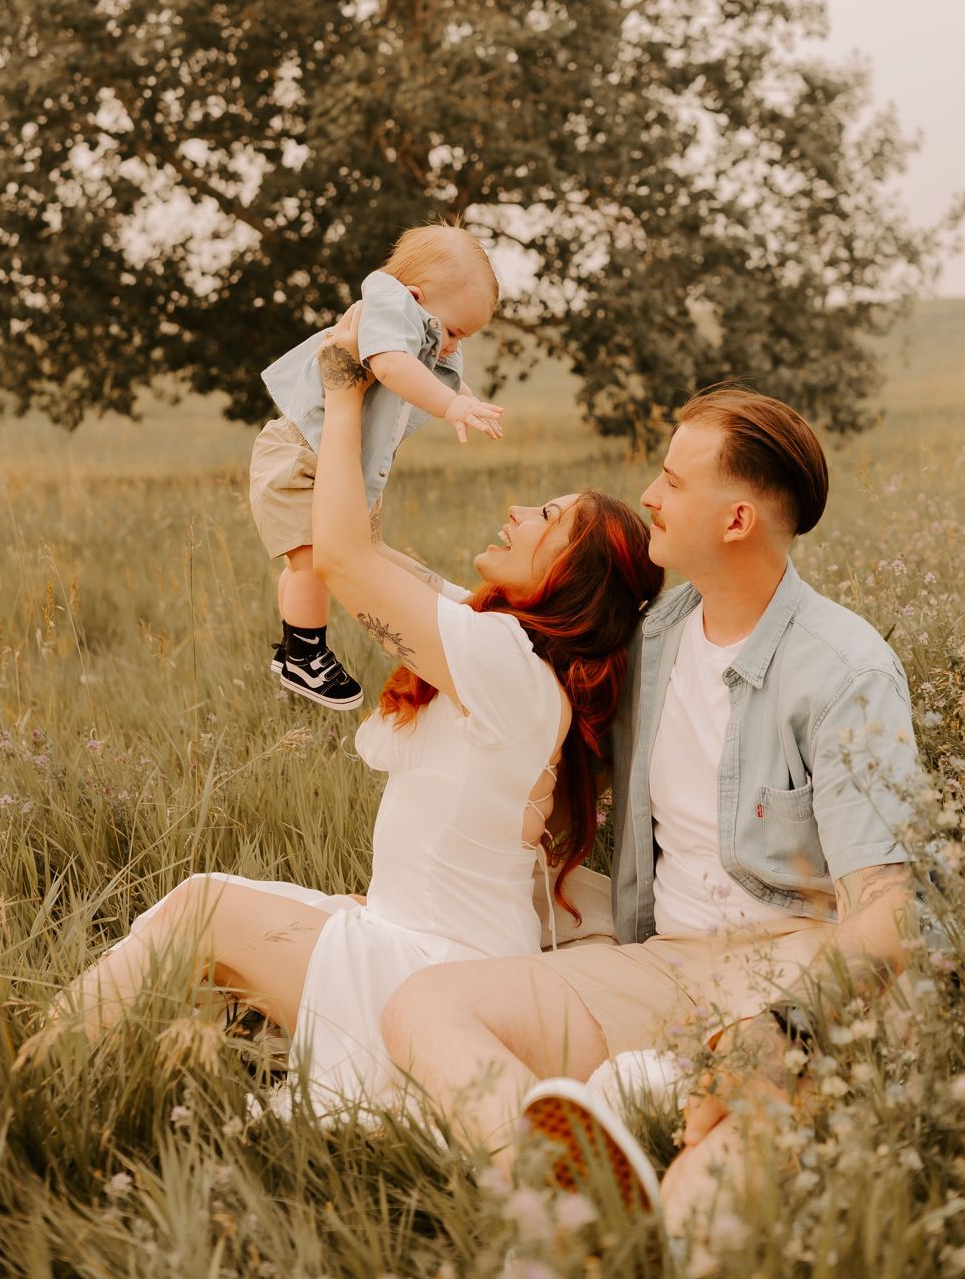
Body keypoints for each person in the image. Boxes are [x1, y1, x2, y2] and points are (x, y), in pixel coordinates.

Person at [47, 306, 662, 1119]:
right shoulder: (499, 647)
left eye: (548, 518)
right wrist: (374, 386)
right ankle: (78, 1070)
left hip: (435, 972)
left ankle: (31, 1081)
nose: (518, 511)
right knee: (196, 906)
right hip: (418, 940)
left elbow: (341, 557)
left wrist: (341, 400)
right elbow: (359, 550)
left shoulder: (507, 666)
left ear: (573, 578)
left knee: (205, 910)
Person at [381, 386, 925, 1235]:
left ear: (736, 520)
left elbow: (890, 911)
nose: (648, 496)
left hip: (797, 967)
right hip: (665, 960)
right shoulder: (652, 639)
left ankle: (680, 1210)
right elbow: (509, 637)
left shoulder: (846, 673)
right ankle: (568, 1209)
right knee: (424, 1006)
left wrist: (782, 1029)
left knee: (709, 1187)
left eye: (671, 481)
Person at [251, 222, 505, 709]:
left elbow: (442, 378)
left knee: (330, 555)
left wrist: (465, 400)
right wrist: (451, 408)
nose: (452, 345)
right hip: (300, 456)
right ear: (414, 296)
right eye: (452, 331)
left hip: (327, 461)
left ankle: (292, 647)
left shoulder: (418, 331)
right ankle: (306, 651)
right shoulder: (388, 311)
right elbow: (390, 368)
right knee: (313, 560)